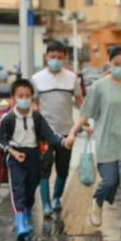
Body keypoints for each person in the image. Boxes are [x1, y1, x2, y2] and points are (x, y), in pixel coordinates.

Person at [65, 46, 121, 237]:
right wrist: (73, 132)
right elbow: (86, 113)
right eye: (117, 64)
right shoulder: (99, 86)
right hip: (107, 139)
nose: (120, 67)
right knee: (111, 180)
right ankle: (98, 201)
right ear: (109, 62)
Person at [0, 79, 72, 241]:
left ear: (32, 97)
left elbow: (50, 135)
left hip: (34, 156)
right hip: (16, 157)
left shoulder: (36, 117)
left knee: (30, 190)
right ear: (13, 98)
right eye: (20, 96)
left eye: (27, 96)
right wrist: (12, 151)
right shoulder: (8, 118)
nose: (24, 99)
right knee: (18, 190)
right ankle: (21, 224)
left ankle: (27, 217)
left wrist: (64, 142)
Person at [31, 41, 83, 218]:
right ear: (46, 57)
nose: (56, 60)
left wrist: (85, 123)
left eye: (60, 57)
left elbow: (79, 102)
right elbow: (34, 104)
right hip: (45, 134)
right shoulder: (37, 79)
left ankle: (56, 198)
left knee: (63, 168)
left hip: (66, 132)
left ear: (65, 58)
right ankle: (45, 204)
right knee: (44, 168)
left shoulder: (72, 78)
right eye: (52, 57)